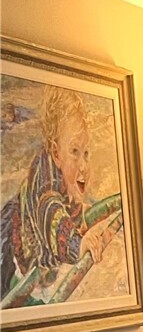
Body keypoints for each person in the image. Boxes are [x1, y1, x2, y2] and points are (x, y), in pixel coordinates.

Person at [1, 87, 120, 297]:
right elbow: (51, 213)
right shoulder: (47, 187)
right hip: (15, 244)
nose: (83, 164)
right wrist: (77, 245)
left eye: (86, 152)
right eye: (75, 152)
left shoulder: (64, 171)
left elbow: (69, 201)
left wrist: (82, 212)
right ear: (56, 153)